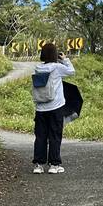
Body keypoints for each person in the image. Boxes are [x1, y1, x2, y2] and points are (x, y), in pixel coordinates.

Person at [30, 42, 75, 174]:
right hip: (55, 107)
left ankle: (38, 165)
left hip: (40, 108)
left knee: (40, 136)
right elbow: (72, 72)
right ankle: (54, 165)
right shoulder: (57, 67)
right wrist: (65, 59)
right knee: (55, 135)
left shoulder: (37, 68)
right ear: (55, 54)